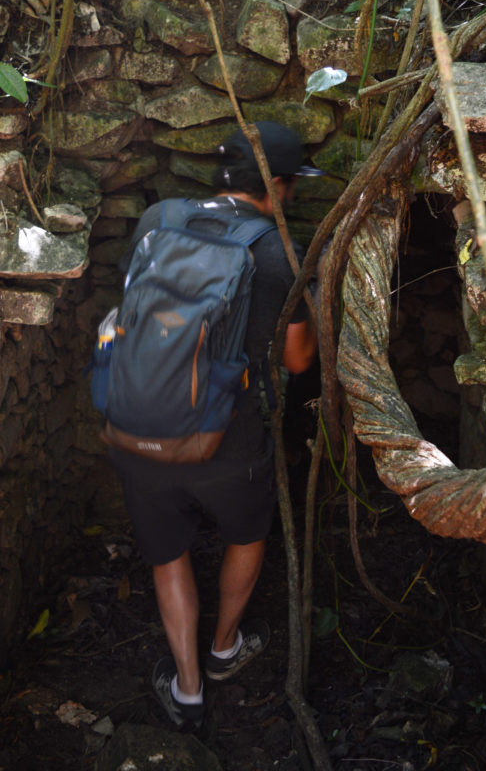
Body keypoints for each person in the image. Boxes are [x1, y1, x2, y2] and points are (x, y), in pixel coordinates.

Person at [108, 121, 320, 730]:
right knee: (246, 535)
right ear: (275, 186)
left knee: (167, 552)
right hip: (229, 434)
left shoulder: (159, 222)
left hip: (139, 421)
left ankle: (188, 686)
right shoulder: (279, 252)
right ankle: (225, 647)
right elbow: (299, 361)